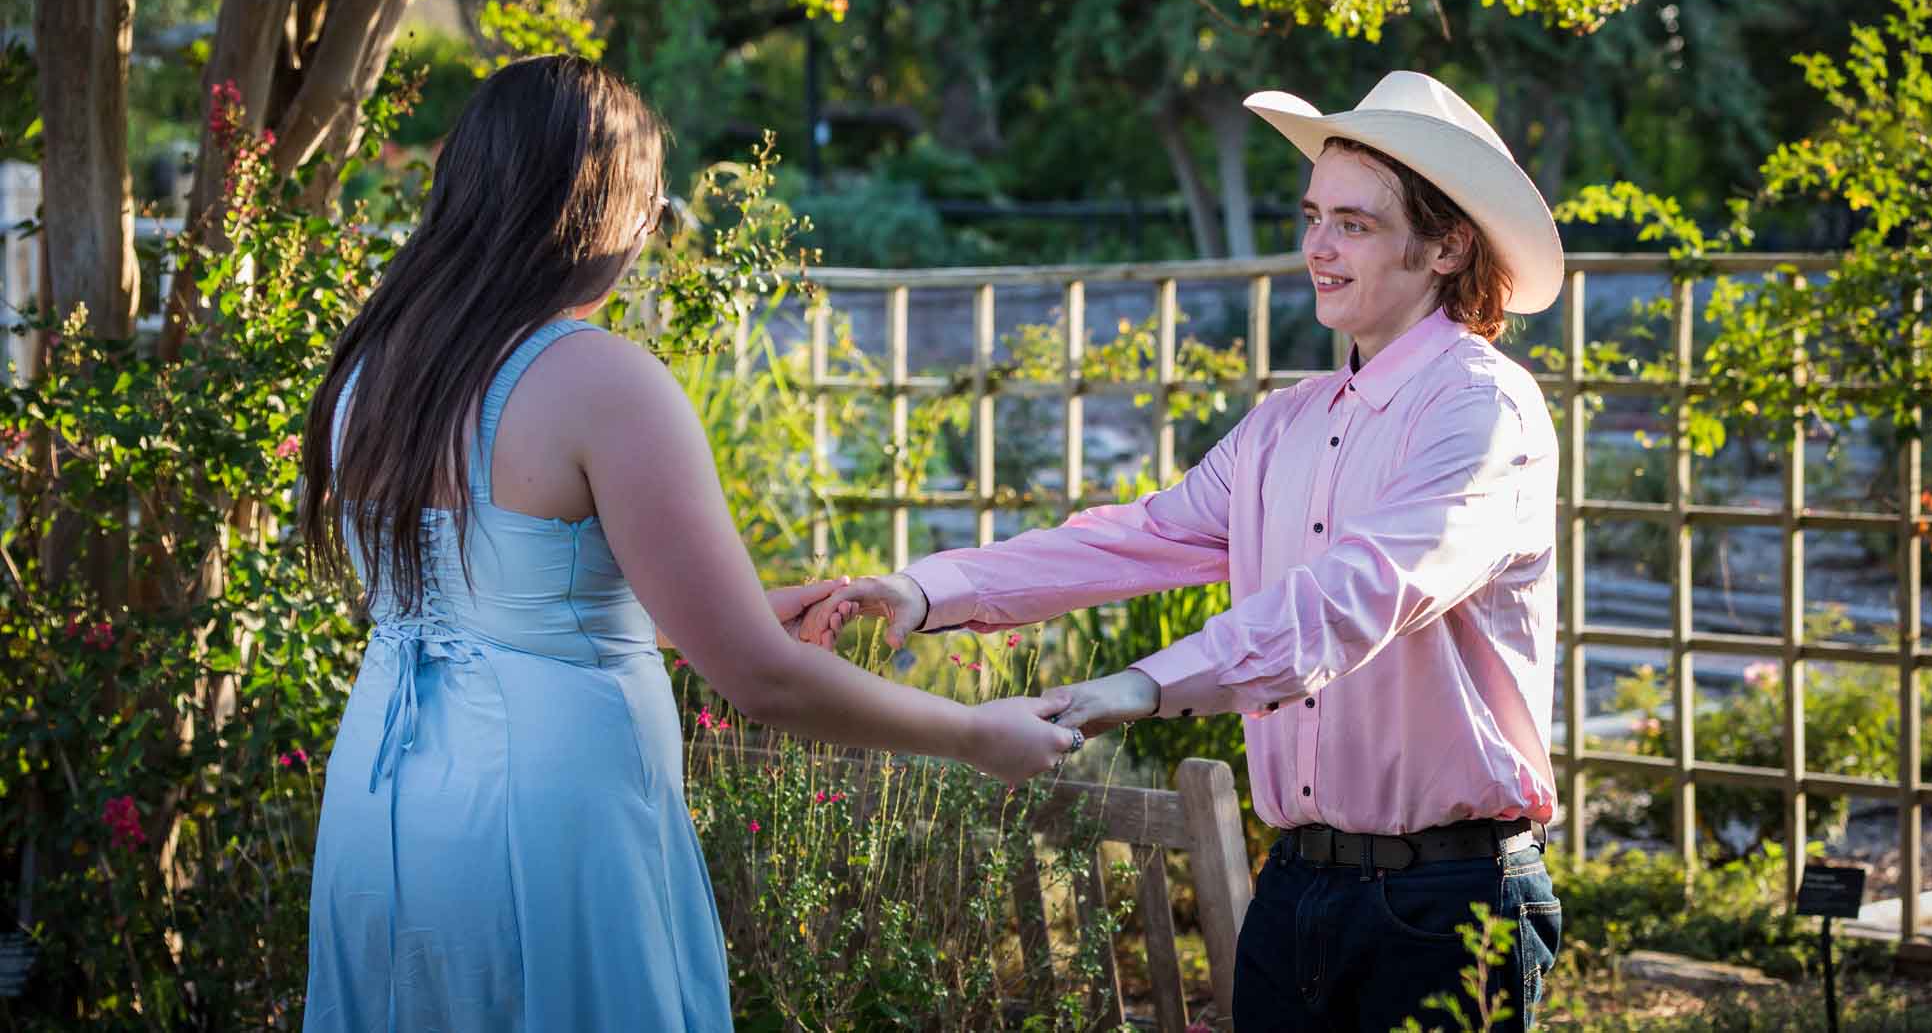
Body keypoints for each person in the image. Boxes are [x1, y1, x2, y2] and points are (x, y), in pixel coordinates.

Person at [296, 56, 1080, 1031]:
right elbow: (765, 681)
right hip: (548, 819)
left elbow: (496, 608)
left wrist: (717, 617)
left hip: (384, 797)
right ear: (606, 209)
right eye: (654, 201)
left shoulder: (372, 370)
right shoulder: (600, 382)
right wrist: (973, 734)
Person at [806, 71, 1567, 1030]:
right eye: (1310, 216)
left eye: (1353, 225)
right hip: (1294, 886)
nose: (1316, 249)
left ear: (1448, 243)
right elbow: (1135, 538)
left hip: (1448, 900)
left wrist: (1137, 686)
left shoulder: (1485, 411)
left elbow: (1356, 597)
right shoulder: (1283, 426)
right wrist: (918, 592)